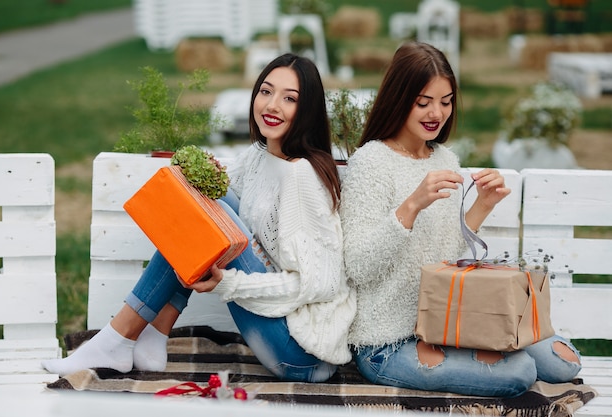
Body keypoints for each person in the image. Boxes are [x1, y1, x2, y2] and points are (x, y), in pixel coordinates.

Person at [43, 53, 356, 383]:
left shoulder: (301, 177)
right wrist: (191, 168)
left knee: (206, 215)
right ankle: (153, 333)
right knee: (199, 203)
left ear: (306, 111)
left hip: (301, 353)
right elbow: (206, 190)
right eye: (266, 91)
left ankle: (118, 338)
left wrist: (230, 283)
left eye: (289, 98)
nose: (272, 105)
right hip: (279, 327)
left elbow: (320, 284)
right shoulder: (260, 156)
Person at [339, 42, 581, 398]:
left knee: (565, 363)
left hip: (448, 323)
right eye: (423, 102)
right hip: (387, 342)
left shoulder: (445, 159)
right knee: (520, 372)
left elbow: (445, 258)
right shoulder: (370, 163)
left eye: (446, 101)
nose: (436, 113)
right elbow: (358, 267)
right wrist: (411, 206)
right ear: (399, 98)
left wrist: (482, 205)